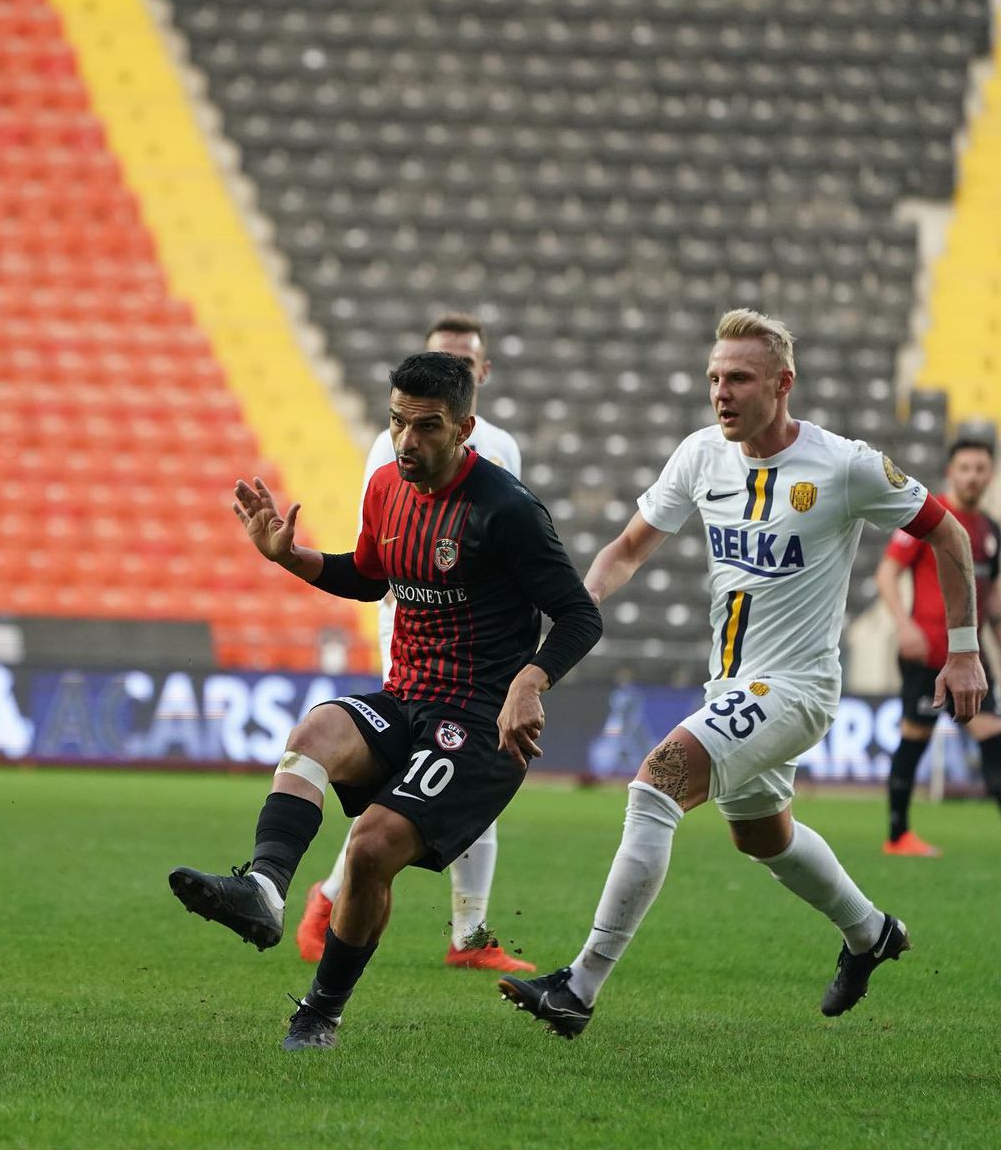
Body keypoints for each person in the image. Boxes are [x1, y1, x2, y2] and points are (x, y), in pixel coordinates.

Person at [498, 308, 987, 1039]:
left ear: (783, 384)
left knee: (657, 778)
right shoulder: (700, 455)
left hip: (797, 687)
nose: (721, 392)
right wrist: (580, 601)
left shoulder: (844, 465)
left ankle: (579, 985)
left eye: (739, 379)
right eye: (713, 379)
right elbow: (628, 549)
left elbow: (946, 531)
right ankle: (871, 933)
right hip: (730, 687)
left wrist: (963, 648)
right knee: (761, 836)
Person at [169, 351, 603, 1050]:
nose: (408, 441)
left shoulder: (507, 510)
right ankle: (267, 891)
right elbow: (371, 577)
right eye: (398, 422)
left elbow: (581, 617)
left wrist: (532, 679)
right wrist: (292, 557)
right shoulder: (384, 488)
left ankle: (319, 1013)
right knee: (315, 732)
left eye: (427, 427)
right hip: (408, 698)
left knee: (370, 849)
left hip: (479, 724)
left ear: (465, 427)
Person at [295, 312, 533, 973]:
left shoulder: (503, 449)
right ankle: (334, 895)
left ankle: (467, 933)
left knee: (466, 777)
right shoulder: (392, 444)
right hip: (415, 627)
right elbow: (385, 550)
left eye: (464, 360)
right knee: (418, 781)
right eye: (442, 357)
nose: (455, 367)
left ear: (481, 374)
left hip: (478, 638)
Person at [876, 438, 1001, 855]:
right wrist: (903, 624)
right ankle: (898, 836)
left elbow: (994, 603)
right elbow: (887, 573)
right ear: (951, 471)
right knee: (916, 735)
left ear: (991, 474)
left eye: (980, 468)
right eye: (965, 467)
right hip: (926, 651)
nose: (973, 476)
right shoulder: (928, 518)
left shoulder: (990, 531)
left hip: (972, 659)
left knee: (993, 733)